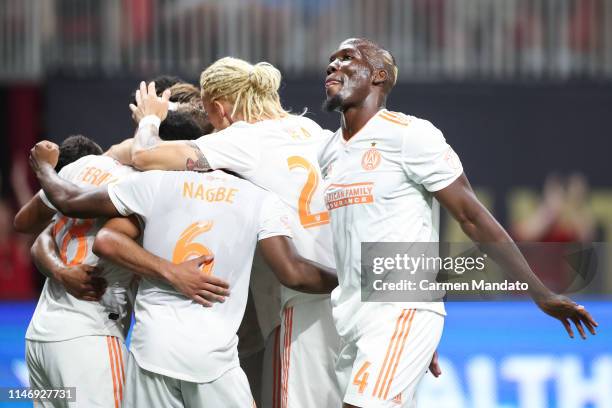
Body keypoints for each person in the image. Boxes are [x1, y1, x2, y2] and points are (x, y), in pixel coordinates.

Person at [319, 38, 598, 408]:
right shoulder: (329, 152)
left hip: (400, 309)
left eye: (347, 58)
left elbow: (472, 217)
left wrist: (540, 293)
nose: (333, 65)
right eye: (332, 59)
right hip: (351, 318)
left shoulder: (409, 136)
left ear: (378, 76)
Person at [28, 137, 337, 408]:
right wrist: (351, 278)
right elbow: (293, 272)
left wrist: (44, 168)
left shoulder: (153, 184)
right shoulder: (260, 198)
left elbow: (62, 222)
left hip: (144, 349)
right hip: (202, 354)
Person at [127, 59, 343, 408]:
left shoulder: (240, 139)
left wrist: (150, 118)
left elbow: (143, 156)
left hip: (304, 300)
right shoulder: (312, 129)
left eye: (211, 117)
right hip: (347, 292)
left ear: (219, 108)